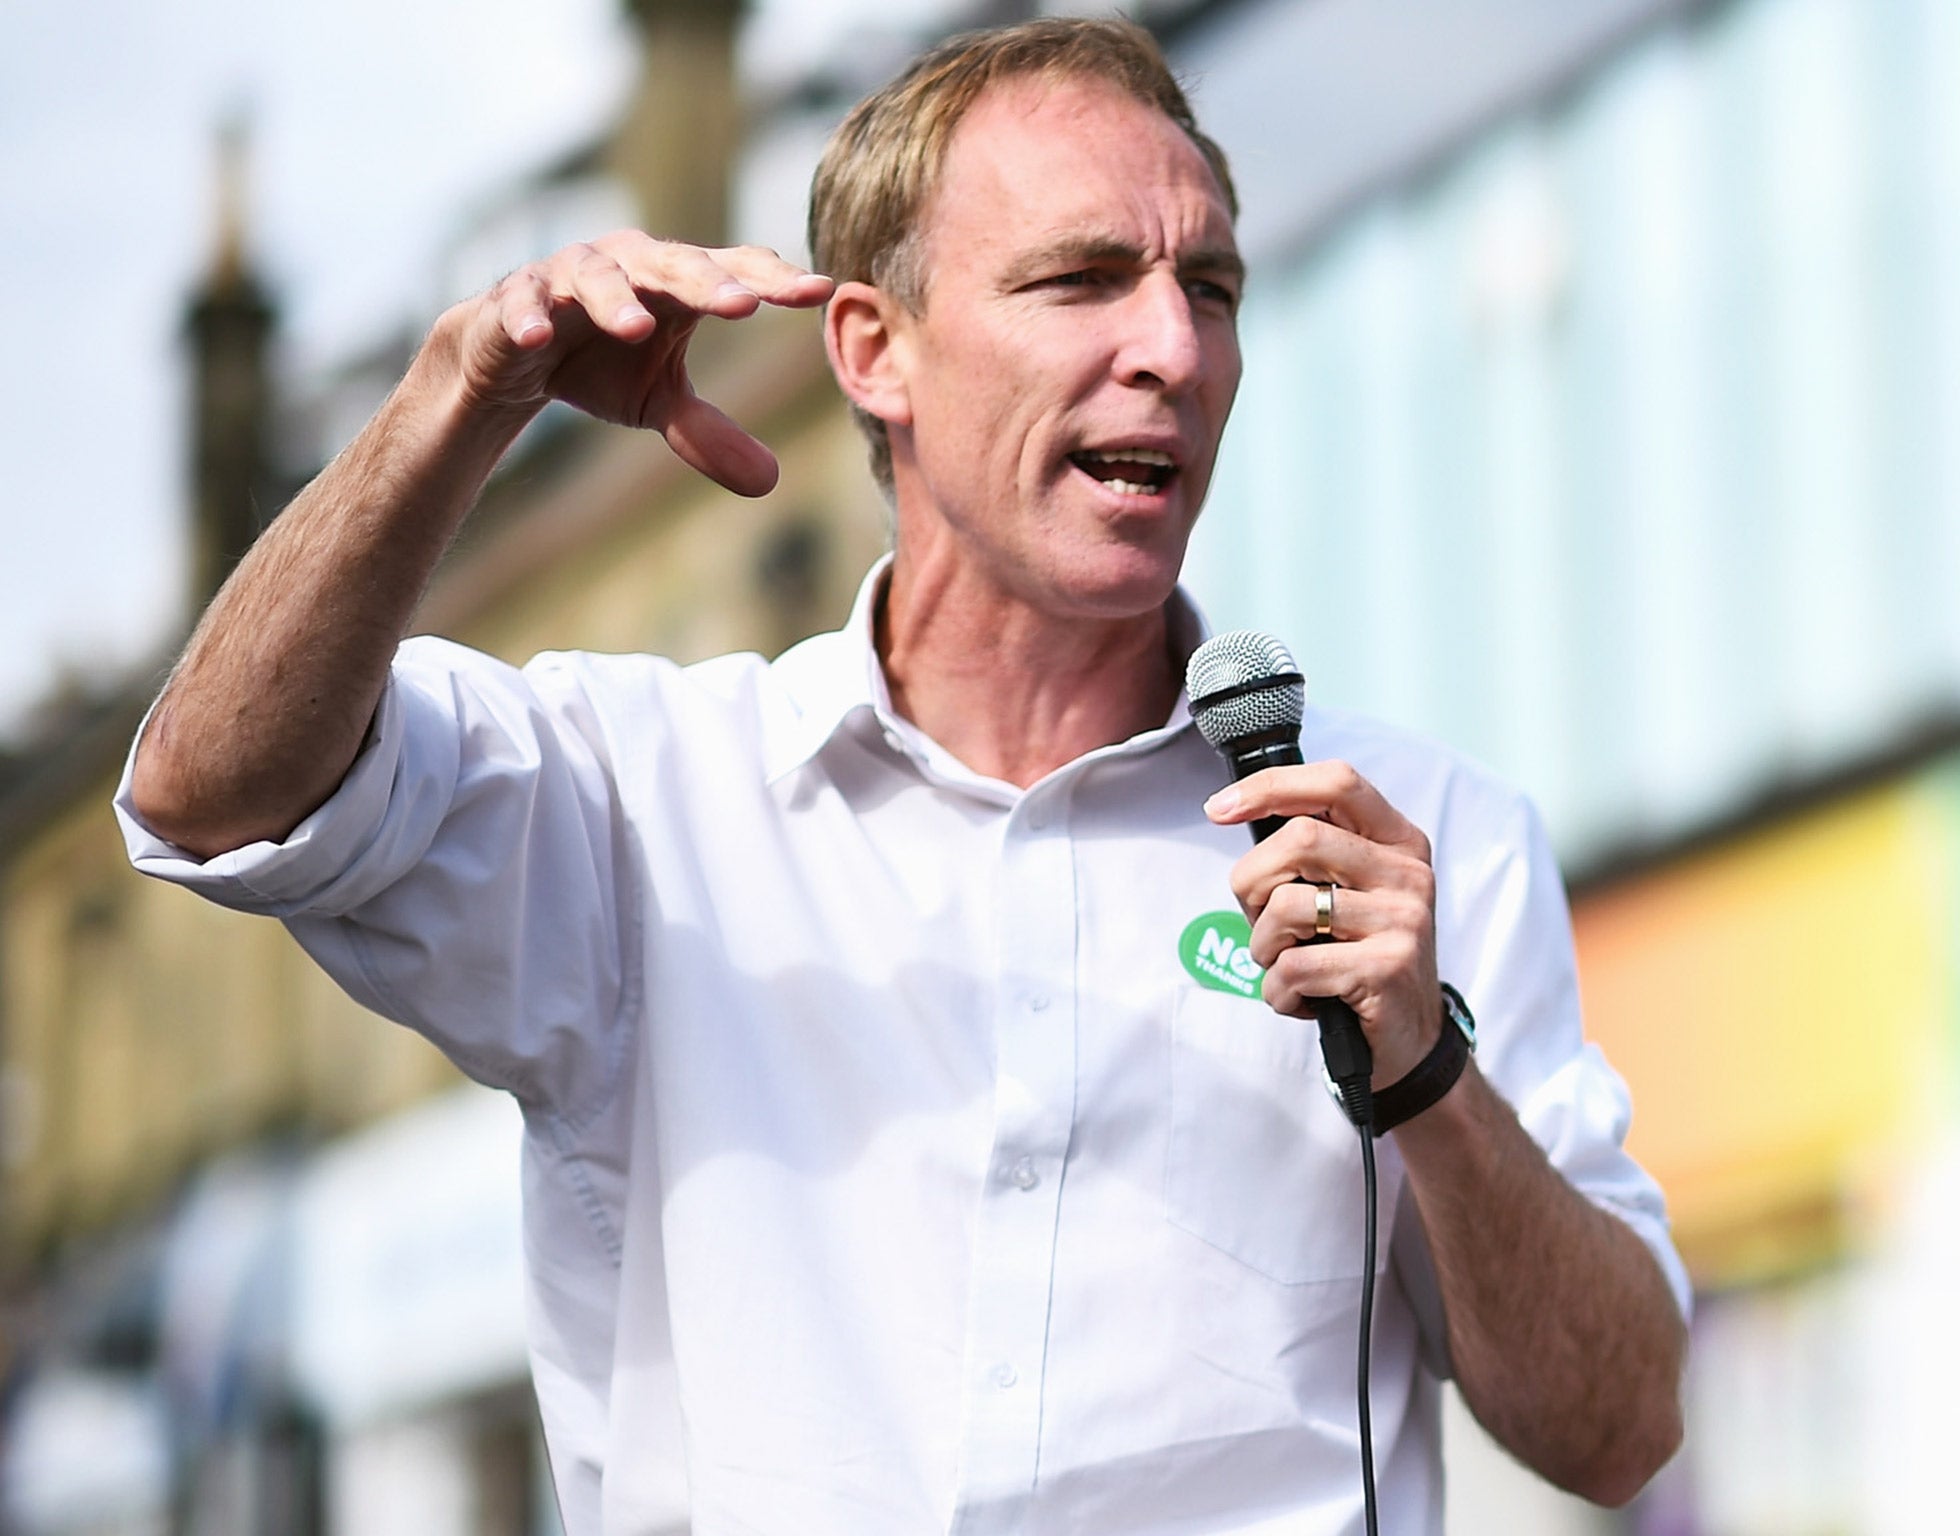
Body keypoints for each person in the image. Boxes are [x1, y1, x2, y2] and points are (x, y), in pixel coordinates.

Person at [119, 18, 1687, 1535]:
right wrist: (465, 398)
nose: (1175, 349)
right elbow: (211, 792)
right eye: (1083, 279)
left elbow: (1616, 1431)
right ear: (877, 350)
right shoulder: (645, 796)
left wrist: (1428, 1076)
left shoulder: (1420, 842)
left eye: (1210, 287)